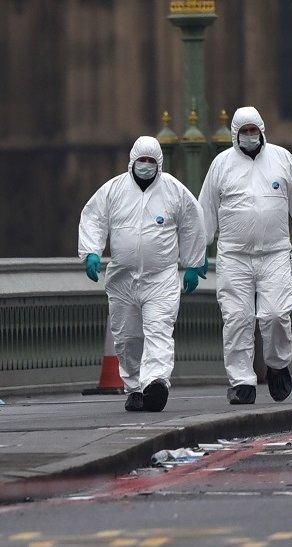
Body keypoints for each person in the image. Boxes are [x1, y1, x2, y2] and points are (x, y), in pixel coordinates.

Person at [199, 107, 292, 405]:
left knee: (277, 314)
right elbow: (206, 209)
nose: (250, 136)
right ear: (235, 134)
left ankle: (277, 364)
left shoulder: (281, 159)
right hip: (234, 256)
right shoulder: (221, 165)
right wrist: (198, 251)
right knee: (237, 318)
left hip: (275, 253)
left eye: (255, 130)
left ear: (262, 131)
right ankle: (241, 382)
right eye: (245, 131)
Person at [78, 136, 207, 412]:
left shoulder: (174, 191)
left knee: (159, 330)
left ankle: (156, 383)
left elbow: (192, 223)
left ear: (159, 163)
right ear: (132, 161)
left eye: (151, 161)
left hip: (160, 279)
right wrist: (91, 251)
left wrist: (194, 263)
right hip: (122, 279)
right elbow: (94, 218)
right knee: (128, 338)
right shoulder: (113, 190)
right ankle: (136, 387)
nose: (146, 166)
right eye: (142, 161)